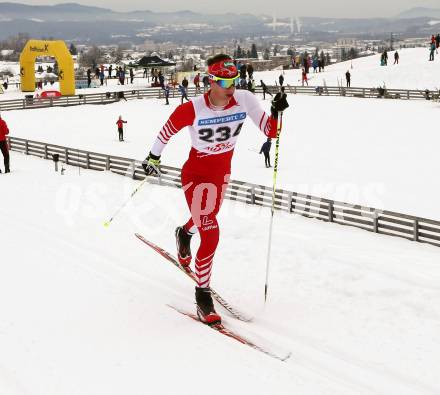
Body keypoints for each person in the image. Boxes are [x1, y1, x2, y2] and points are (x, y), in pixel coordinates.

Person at [141, 54, 289, 324]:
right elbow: (166, 132)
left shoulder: (245, 99)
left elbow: (270, 131)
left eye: (234, 80)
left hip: (221, 175)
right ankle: (202, 294)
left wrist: (277, 112)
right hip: (195, 176)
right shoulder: (193, 108)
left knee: (204, 221)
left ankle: (184, 233)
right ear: (211, 81)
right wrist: (153, 158)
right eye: (224, 81)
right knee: (210, 232)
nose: (230, 87)